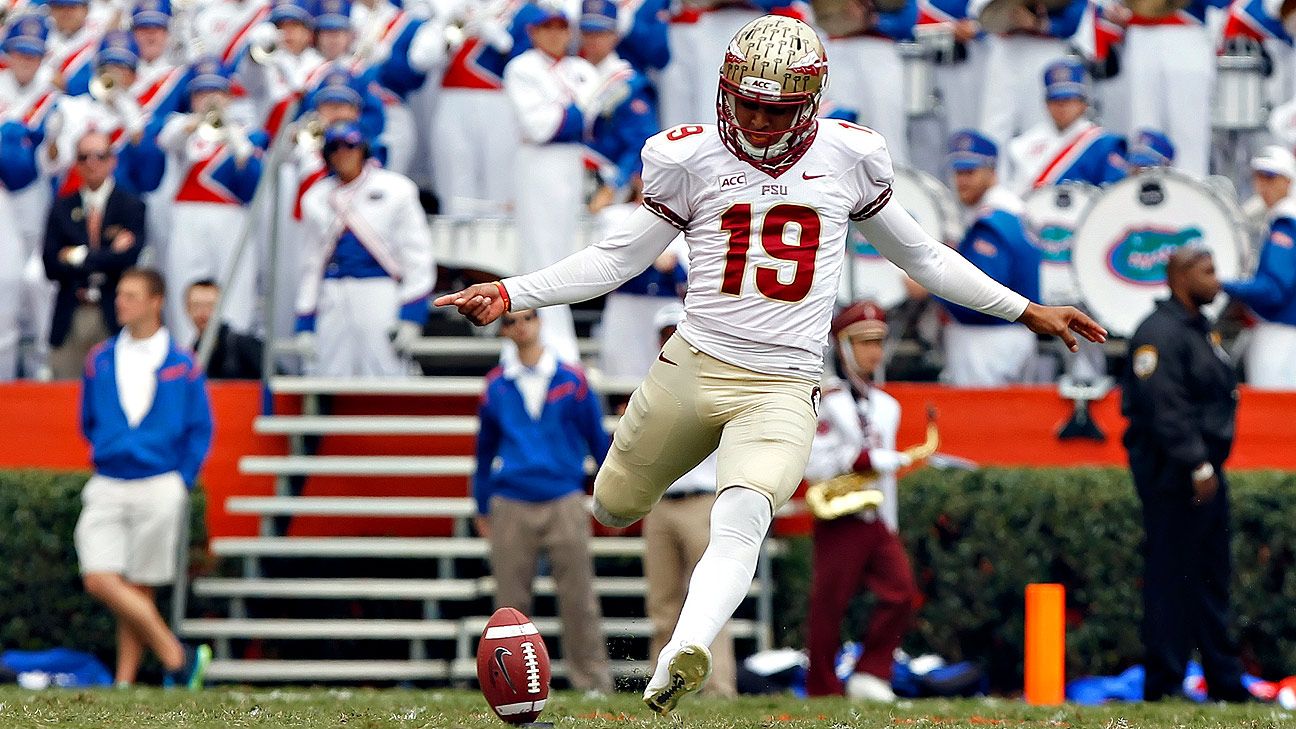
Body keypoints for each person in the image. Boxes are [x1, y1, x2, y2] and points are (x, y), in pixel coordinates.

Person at [437, 14, 1103, 714]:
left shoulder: (849, 157)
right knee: (611, 504)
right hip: (693, 364)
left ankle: (684, 648)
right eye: (746, 101)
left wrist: (1025, 307)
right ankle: (678, 625)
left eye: (773, 107)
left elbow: (924, 256)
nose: (754, 119)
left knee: (743, 514)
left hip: (784, 382)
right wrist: (513, 290)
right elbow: (617, 257)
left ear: (809, 102)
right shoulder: (688, 156)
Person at [1121, 245, 1251, 703]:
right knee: (1171, 579)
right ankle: (1164, 683)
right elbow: (1164, 409)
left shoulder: (1200, 329)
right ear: (1179, 276)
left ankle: (1225, 681)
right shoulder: (1158, 334)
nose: (1217, 280)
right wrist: (1196, 462)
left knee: (1211, 577)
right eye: (1208, 271)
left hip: (1206, 472)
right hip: (1173, 476)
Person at [76, 267, 213, 689]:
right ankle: (177, 655)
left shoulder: (182, 362)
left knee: (140, 584)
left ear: (156, 301)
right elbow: (88, 420)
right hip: (110, 479)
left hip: (160, 480)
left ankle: (125, 682)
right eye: (120, 294)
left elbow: (200, 427)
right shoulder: (99, 358)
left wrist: (182, 478)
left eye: (131, 295)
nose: (121, 302)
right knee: (99, 576)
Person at [473, 307, 614, 694]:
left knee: (579, 598)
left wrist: (613, 499)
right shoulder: (497, 385)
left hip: (564, 497)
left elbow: (598, 443)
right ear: (503, 331)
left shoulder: (573, 379)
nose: (520, 326)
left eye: (527, 318)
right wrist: (482, 504)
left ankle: (592, 682)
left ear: (540, 322)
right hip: (511, 499)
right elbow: (483, 452)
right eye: (510, 321)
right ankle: (510, 688)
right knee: (510, 605)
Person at [803, 301, 918, 702]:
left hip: (874, 515)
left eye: (878, 342)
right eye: (864, 342)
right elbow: (813, 461)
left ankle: (871, 671)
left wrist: (890, 518)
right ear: (843, 345)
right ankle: (822, 685)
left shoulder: (888, 406)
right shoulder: (826, 399)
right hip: (841, 516)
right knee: (829, 604)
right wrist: (862, 459)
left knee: (901, 591)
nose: (874, 352)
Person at [502, 0, 616, 363]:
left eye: (561, 27)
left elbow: (600, 124)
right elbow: (542, 127)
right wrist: (580, 111)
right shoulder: (522, 67)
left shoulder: (580, 68)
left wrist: (574, 114)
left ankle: (557, 340)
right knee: (539, 254)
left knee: (565, 251)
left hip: (571, 163)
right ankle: (547, 343)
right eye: (547, 27)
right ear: (533, 31)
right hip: (537, 162)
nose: (555, 34)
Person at [640, 302, 737, 699]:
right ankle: (662, 685)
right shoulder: (651, 388)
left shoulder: (714, 382)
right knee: (663, 604)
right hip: (662, 501)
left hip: (702, 501)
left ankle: (719, 687)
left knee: (710, 601)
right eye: (665, 337)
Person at [295, 122, 434, 376]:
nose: (343, 153)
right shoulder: (315, 197)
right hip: (332, 293)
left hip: (379, 290)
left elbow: (417, 255)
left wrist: (412, 314)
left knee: (385, 371)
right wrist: (305, 321)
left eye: (350, 146)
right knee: (329, 373)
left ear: (363, 149)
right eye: (335, 148)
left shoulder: (396, 189)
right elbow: (311, 263)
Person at [156, 55, 265, 349]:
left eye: (216, 92)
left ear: (229, 96)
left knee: (236, 292)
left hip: (231, 217)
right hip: (188, 216)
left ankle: (233, 356)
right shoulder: (181, 125)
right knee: (183, 288)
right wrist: (197, 121)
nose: (209, 99)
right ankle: (185, 355)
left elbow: (252, 176)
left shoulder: (246, 132)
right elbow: (166, 141)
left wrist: (232, 131)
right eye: (201, 92)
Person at [43, 131, 147, 380]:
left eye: (100, 156)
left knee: (116, 390)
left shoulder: (131, 205)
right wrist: (108, 254)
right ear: (76, 163)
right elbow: (50, 266)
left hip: (114, 312)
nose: (92, 163)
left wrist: (76, 256)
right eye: (84, 156)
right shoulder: (61, 206)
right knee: (66, 396)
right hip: (71, 312)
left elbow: (129, 259)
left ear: (113, 160)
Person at [941, 129, 1042, 386]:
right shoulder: (1008, 208)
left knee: (978, 421)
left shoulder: (994, 217)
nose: (962, 180)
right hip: (1008, 335)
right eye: (958, 172)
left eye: (970, 172)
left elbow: (979, 294)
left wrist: (930, 285)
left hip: (989, 341)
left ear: (991, 170)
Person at [1117, 0, 1225, 178]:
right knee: (1142, 131)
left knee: (1189, 132)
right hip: (1140, 30)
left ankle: (1192, 196)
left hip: (1187, 29)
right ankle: (1139, 196)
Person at [1222, 148, 1296, 389]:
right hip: (1279, 333)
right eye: (1258, 177)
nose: (1262, 185)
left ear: (1288, 180)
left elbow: (1274, 289)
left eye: (1271, 177)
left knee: (1274, 413)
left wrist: (1222, 284)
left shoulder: (1286, 223)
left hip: (1281, 335)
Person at [1004, 57, 1125, 195]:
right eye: (1055, 100)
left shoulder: (1103, 143)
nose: (1062, 106)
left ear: (1083, 104)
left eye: (1068, 100)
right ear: (1046, 104)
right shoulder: (1025, 143)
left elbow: (1113, 194)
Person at [975, 0, 1087, 148]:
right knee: (993, 126)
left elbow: (1073, 20)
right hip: (1006, 47)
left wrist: (1038, 23)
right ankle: (991, 170)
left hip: (1045, 48)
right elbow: (982, 16)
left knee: (1039, 126)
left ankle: (1041, 171)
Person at [186, 279, 264, 379]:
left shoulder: (243, 345)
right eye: (197, 306)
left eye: (210, 305)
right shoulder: (190, 354)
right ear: (187, 309)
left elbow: (281, 383)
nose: (203, 312)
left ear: (221, 307)